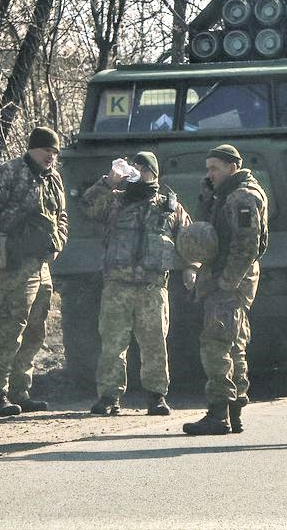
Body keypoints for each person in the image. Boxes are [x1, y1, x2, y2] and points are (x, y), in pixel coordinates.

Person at [81, 152, 196, 416]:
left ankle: (157, 397)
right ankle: (109, 396)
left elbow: (188, 240)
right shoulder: (115, 201)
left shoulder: (170, 207)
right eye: (136, 167)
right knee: (112, 343)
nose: (138, 172)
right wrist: (110, 182)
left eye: (144, 169)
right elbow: (87, 206)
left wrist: (191, 268)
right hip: (117, 286)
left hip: (152, 288)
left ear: (154, 173)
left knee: (155, 343)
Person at [0, 126, 69, 416]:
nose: (51, 155)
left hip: (40, 265)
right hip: (11, 264)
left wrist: (58, 242)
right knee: (11, 328)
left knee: (36, 330)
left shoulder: (54, 180)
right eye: (46, 149)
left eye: (55, 151)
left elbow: (61, 216)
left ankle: (20, 391)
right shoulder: (7, 173)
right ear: (32, 149)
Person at [183, 144, 268, 436]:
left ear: (232, 167)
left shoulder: (243, 197)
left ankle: (219, 412)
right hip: (227, 278)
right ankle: (233, 412)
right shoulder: (226, 195)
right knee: (234, 344)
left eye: (214, 168)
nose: (210, 174)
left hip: (231, 280)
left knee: (216, 343)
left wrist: (226, 282)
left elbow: (247, 245)